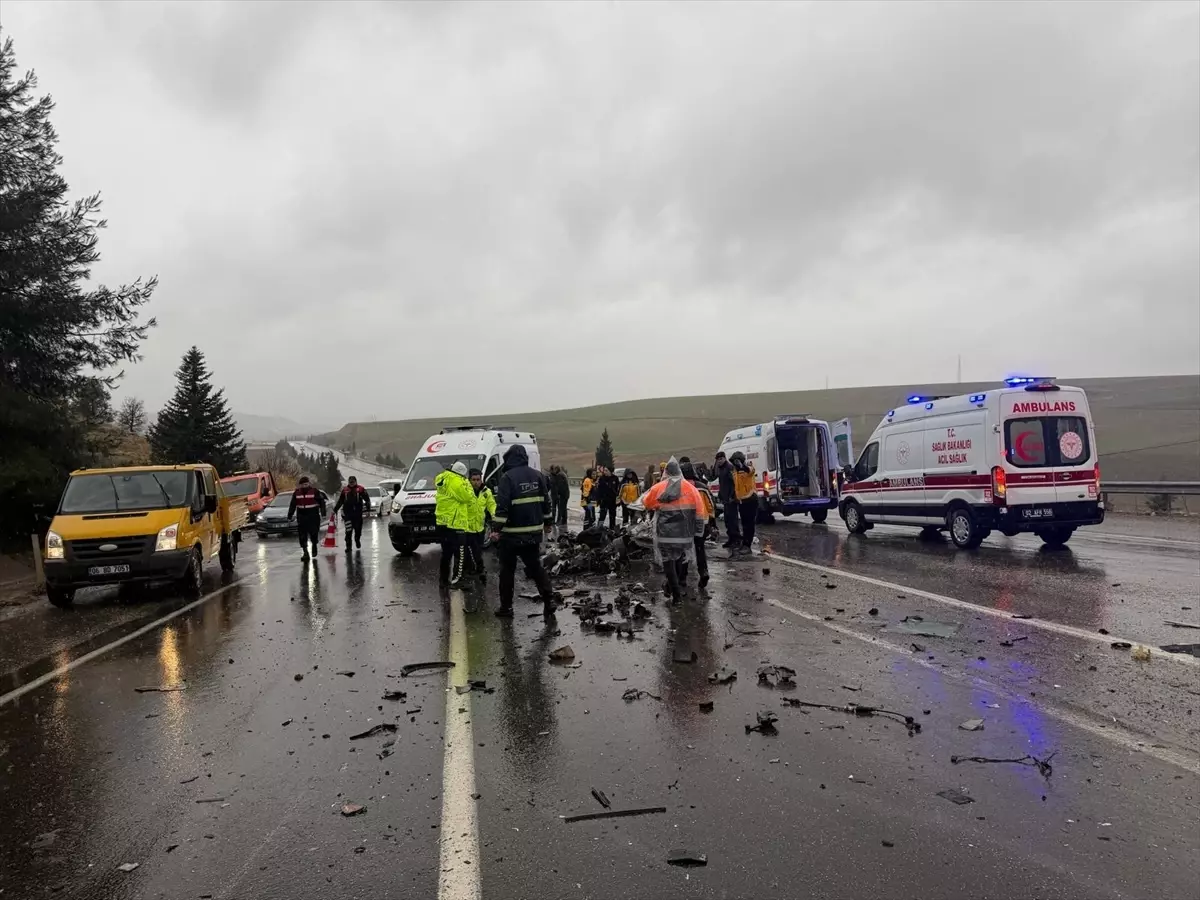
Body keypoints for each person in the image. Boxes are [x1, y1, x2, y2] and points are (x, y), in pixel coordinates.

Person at [490, 444, 555, 618]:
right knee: (535, 568)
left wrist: (496, 529)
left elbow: (502, 507)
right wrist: (548, 522)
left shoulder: (507, 478)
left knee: (507, 571)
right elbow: (546, 503)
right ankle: (549, 600)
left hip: (511, 535)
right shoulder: (538, 476)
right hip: (533, 534)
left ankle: (506, 608)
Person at [640, 457, 704, 603]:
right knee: (681, 558)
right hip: (685, 534)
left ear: (666, 472)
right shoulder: (691, 488)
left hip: (666, 533)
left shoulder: (659, 487)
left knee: (668, 561)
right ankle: (677, 587)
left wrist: (658, 504)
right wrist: (699, 532)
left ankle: (676, 595)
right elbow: (700, 511)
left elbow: (647, 503)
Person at [435, 461, 475, 588]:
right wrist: (467, 484)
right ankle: (458, 580)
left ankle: (443, 580)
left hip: (442, 523)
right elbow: (468, 497)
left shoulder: (443, 478)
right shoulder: (457, 482)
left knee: (446, 554)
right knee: (460, 554)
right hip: (456, 523)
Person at [678, 457, 715, 589]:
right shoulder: (702, 487)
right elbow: (711, 506)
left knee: (684, 551)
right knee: (700, 549)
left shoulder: (678, 488)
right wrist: (711, 522)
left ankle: (682, 578)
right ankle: (703, 571)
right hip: (701, 523)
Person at [287, 475, 327, 561]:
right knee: (302, 536)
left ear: (309, 484)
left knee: (314, 534)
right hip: (301, 516)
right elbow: (292, 505)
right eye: (302, 485)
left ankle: (314, 546)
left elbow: (322, 502)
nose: (304, 486)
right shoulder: (296, 493)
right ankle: (305, 552)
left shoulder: (315, 491)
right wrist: (289, 515)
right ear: (300, 485)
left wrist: (323, 513)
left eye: (306, 484)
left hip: (313, 516)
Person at [466, 468, 495, 585]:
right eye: (473, 480)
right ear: (469, 480)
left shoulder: (486, 492)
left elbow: (491, 505)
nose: (476, 482)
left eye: (478, 479)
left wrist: (495, 517)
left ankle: (479, 569)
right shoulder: (465, 492)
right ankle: (469, 570)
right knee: (466, 552)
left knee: (478, 551)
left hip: (479, 527)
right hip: (466, 528)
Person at [730, 450, 759, 553]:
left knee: (749, 524)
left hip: (751, 499)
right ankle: (745, 543)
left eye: (736, 461)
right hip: (742, 501)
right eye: (734, 462)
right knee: (744, 523)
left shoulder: (747, 468)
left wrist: (743, 466)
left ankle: (747, 545)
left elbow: (751, 470)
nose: (735, 464)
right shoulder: (735, 472)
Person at [333, 475, 372, 551]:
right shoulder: (345, 490)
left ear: (355, 482)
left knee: (358, 530)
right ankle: (348, 546)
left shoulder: (360, 489)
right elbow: (340, 501)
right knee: (348, 531)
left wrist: (368, 509)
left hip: (358, 514)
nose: (351, 483)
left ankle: (357, 539)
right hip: (348, 514)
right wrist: (335, 510)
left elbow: (367, 499)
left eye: (353, 482)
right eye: (350, 482)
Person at [714, 451, 740, 548]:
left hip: (731, 499)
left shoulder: (729, 468)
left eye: (721, 459)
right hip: (725, 499)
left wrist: (732, 496)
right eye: (718, 460)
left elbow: (734, 483)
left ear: (724, 458)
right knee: (727, 520)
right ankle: (731, 539)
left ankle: (736, 539)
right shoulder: (721, 469)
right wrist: (720, 494)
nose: (719, 461)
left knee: (733, 520)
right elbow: (722, 483)